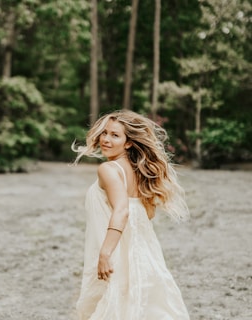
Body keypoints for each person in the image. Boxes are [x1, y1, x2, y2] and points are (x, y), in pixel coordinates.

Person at [73, 110, 190, 319]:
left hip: (116, 246)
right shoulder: (137, 170)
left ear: (128, 143)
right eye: (104, 133)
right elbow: (147, 212)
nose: (106, 139)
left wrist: (105, 253)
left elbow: (122, 209)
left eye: (115, 135)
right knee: (141, 297)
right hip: (141, 247)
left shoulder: (108, 169)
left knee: (116, 299)